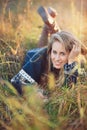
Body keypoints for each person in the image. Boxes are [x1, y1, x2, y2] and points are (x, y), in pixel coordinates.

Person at [11, 6, 87, 97]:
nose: (57, 58)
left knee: (58, 42)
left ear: (72, 53)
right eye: (54, 52)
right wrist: (34, 93)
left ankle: (51, 24)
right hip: (33, 54)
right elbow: (17, 81)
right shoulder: (40, 58)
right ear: (50, 51)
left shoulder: (77, 62)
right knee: (44, 48)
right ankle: (51, 26)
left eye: (62, 54)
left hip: (47, 49)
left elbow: (70, 90)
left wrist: (71, 62)